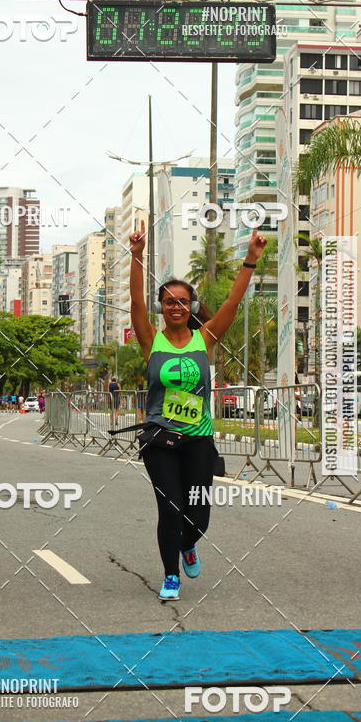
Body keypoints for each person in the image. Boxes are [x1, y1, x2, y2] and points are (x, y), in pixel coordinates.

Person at [129, 219, 266, 601]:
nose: (175, 306)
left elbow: (232, 302)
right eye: (169, 301)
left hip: (198, 440)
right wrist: (137, 257)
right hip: (160, 439)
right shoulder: (150, 340)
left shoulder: (204, 339)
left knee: (198, 516)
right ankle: (170, 574)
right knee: (170, 508)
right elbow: (136, 302)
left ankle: (189, 544)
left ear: (191, 307)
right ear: (162, 306)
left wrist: (251, 259)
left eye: (182, 301)